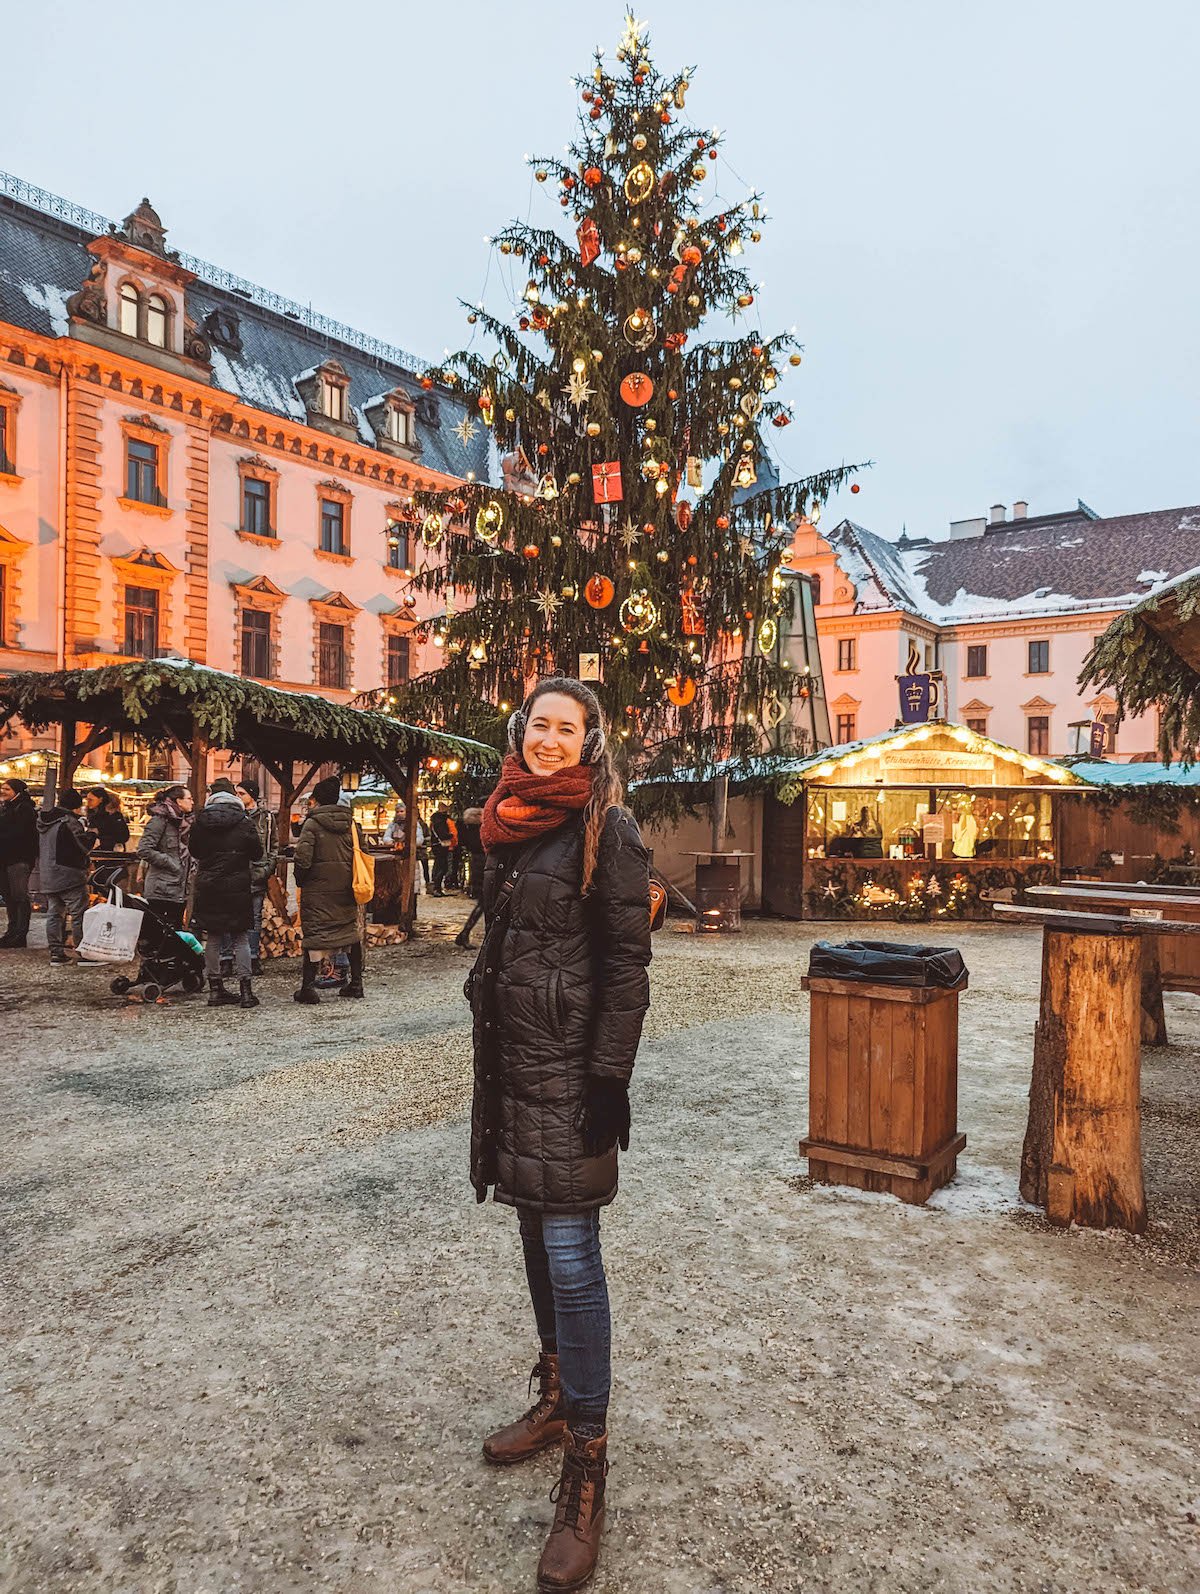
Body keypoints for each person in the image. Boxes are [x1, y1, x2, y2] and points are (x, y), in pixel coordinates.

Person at [467, 676, 651, 1592]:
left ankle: (587, 1455)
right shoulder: (510, 817)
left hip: (570, 1077)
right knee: (538, 1240)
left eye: (564, 728)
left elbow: (625, 968)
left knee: (574, 1257)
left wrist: (610, 1079)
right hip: (512, 1068)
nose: (547, 739)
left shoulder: (605, 830)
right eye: (537, 724)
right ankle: (552, 1396)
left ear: (589, 742)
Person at [188, 777, 263, 1009]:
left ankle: (215, 989)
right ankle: (246, 991)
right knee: (240, 937)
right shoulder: (244, 821)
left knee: (213, 938)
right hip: (237, 885)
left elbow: (195, 851)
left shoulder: (201, 821)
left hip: (209, 885)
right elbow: (257, 853)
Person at [292, 774, 364, 1003]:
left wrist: (300, 879)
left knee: (314, 935)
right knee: (350, 934)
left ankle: (308, 988)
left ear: (318, 800)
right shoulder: (350, 824)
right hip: (345, 888)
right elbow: (361, 852)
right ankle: (356, 983)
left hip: (318, 888)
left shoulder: (312, 824)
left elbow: (303, 859)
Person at [36, 787, 94, 965]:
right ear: (76, 806)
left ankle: (56, 953)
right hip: (69, 874)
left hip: (48, 872)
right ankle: (84, 953)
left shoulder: (45, 821)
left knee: (54, 913)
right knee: (79, 914)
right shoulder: (69, 821)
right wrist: (92, 836)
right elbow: (82, 845)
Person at [230, 778, 277, 975]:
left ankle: (253, 957)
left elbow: (273, 846)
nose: (238, 797)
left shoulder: (266, 818)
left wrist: (267, 868)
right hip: (234, 873)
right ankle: (229, 958)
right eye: (236, 793)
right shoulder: (232, 816)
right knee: (230, 916)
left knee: (254, 919)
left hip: (256, 874)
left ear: (252, 796)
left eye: (242, 794)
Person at [137, 784, 194, 929]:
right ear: (178, 801)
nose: (192, 802)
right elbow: (144, 849)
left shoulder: (186, 822)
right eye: (189, 798)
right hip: (161, 889)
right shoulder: (159, 820)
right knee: (157, 933)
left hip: (180, 889)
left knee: (175, 933)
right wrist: (170, 862)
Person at [0, 776, 39, 948]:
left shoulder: (24, 809)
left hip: (19, 858)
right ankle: (12, 931)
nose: (3, 791)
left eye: (7, 789)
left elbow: (19, 834)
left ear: (17, 791)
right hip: (6, 858)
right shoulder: (8, 807)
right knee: (9, 896)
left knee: (19, 895)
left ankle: (20, 933)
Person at [453, 804, 486, 949]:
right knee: (485, 903)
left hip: (477, 864)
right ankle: (465, 933)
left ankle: (465, 933)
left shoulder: (466, 831)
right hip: (483, 865)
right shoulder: (479, 832)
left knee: (484, 903)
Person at [83, 787, 130, 851]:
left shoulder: (113, 816)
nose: (88, 802)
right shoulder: (93, 815)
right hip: (96, 850)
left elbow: (123, 836)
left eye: (91, 800)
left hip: (109, 851)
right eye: (87, 799)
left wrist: (99, 831)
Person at [429, 803, 454, 896]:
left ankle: (436, 887)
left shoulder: (434, 820)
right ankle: (437, 888)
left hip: (436, 845)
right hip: (441, 845)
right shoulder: (441, 821)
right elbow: (443, 834)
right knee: (442, 866)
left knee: (438, 865)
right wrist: (450, 835)